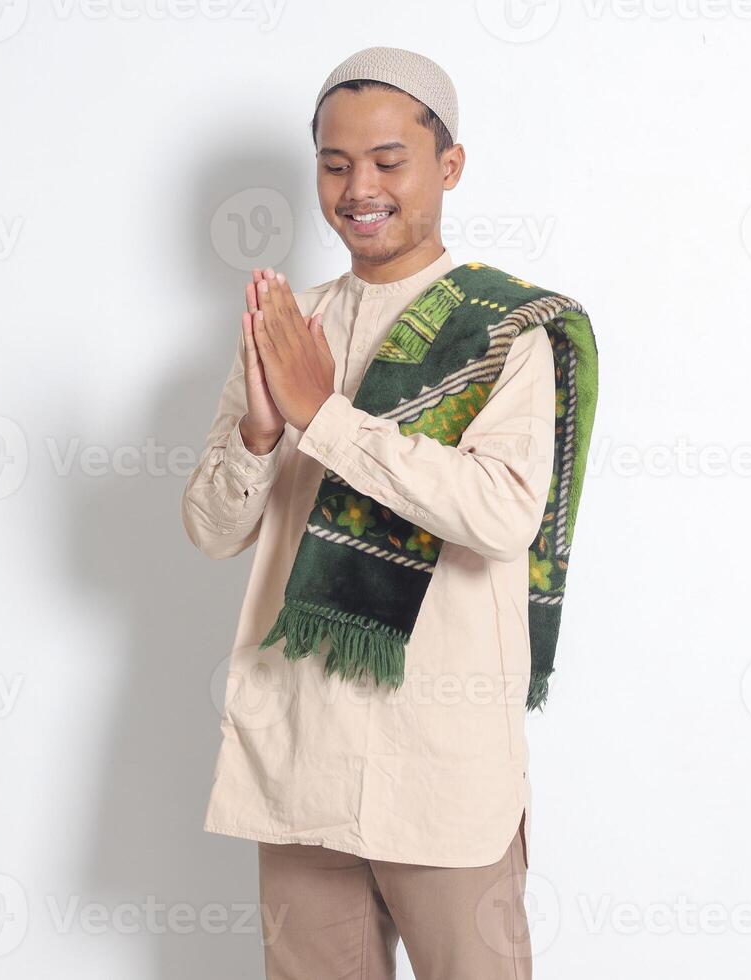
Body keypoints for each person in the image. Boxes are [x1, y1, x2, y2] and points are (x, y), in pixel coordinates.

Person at [180, 46, 583, 979]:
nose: (360, 187)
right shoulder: (289, 324)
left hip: (441, 766)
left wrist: (326, 419)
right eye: (334, 163)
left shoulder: (507, 333)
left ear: (449, 166)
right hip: (298, 758)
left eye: (389, 161)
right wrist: (259, 427)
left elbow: (500, 513)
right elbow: (209, 530)